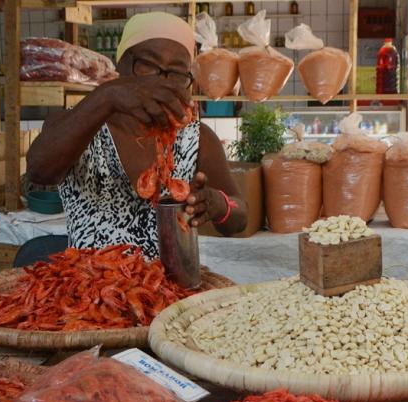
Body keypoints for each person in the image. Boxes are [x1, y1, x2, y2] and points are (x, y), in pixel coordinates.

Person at [27, 12, 247, 258]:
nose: (159, 81)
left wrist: (220, 205)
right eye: (148, 65)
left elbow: (240, 217)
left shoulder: (197, 138)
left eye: (175, 73)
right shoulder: (79, 122)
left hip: (171, 290)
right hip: (89, 287)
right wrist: (107, 96)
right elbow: (39, 171)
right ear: (120, 63)